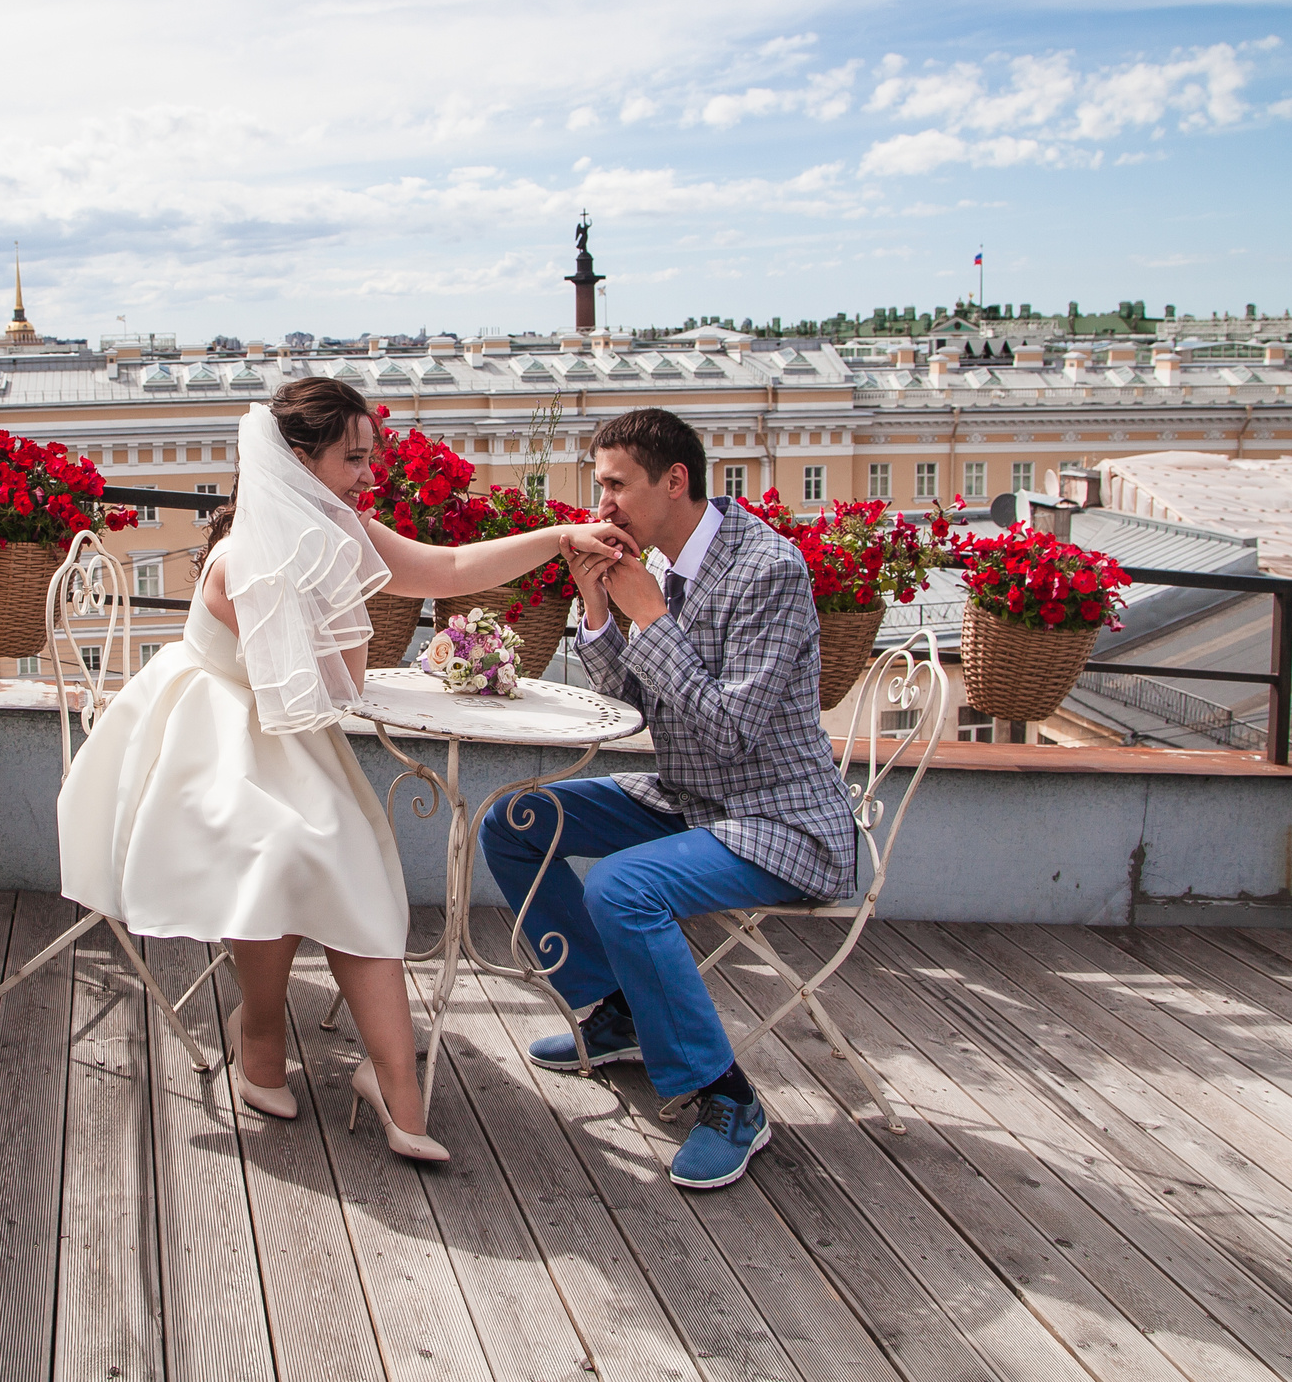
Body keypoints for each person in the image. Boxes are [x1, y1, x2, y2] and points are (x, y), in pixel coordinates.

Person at [58, 378, 637, 1164]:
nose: (369, 476)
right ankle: (262, 1037)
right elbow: (342, 682)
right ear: (297, 461)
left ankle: (396, 1084)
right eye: (352, 459)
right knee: (292, 854)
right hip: (213, 739)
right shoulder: (243, 564)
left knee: (344, 860)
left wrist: (560, 538)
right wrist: (342, 580)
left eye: (369, 458)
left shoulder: (333, 529)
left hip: (291, 738)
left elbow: (452, 565)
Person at [479, 407, 853, 1191]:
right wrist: (599, 610)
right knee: (515, 821)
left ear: (674, 480)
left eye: (615, 484)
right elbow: (631, 704)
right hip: (688, 796)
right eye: (598, 485)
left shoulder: (767, 570)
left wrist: (648, 615)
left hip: (781, 817)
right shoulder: (658, 565)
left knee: (624, 885)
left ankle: (727, 1098)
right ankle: (611, 1011)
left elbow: (728, 732)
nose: (602, 504)